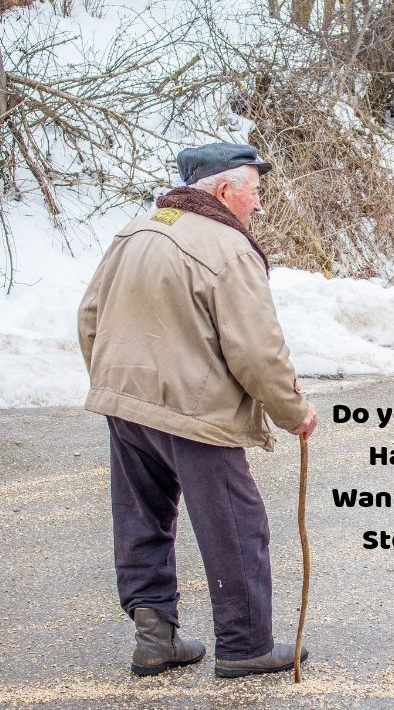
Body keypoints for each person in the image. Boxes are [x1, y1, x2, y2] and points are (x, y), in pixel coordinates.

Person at [78, 142, 318, 679]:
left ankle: (155, 638)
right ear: (226, 189)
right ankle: (247, 646)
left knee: (142, 519)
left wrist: (114, 380)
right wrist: (292, 411)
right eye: (255, 192)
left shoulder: (135, 231)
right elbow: (257, 351)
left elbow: (89, 315)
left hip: (126, 401)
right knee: (237, 525)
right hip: (193, 410)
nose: (258, 207)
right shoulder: (228, 248)